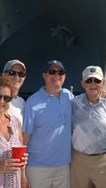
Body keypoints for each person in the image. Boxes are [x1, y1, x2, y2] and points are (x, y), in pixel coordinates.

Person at [71, 66, 106, 188]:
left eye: (97, 80)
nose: (93, 84)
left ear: (103, 83)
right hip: (79, 161)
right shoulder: (73, 103)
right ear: (82, 83)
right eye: (89, 80)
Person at [22, 60, 73, 188]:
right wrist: (22, 170)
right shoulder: (32, 102)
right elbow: (24, 138)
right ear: (44, 75)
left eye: (60, 72)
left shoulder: (69, 97)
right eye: (52, 72)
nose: (57, 75)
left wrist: (102, 94)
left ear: (65, 76)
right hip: (37, 168)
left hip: (64, 167)